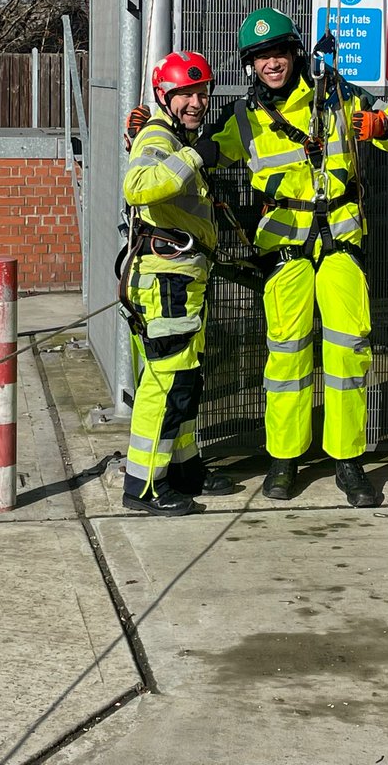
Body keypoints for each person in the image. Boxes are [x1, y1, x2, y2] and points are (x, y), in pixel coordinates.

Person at [198, 8, 388, 507]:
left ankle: (348, 461)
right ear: (249, 64)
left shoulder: (337, 93)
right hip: (285, 250)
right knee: (287, 355)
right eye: (259, 56)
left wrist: (381, 126)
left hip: (340, 243)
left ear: (294, 52)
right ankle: (284, 460)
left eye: (276, 52)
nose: (270, 63)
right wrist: (151, 134)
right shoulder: (243, 117)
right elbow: (199, 153)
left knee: (348, 351)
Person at [118, 50, 232, 516]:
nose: (196, 102)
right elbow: (138, 185)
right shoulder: (160, 138)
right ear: (165, 96)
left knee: (185, 377)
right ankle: (144, 485)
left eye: (202, 93)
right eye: (186, 93)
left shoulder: (174, 136)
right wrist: (191, 157)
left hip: (184, 279)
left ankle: (184, 469)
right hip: (166, 280)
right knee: (165, 382)